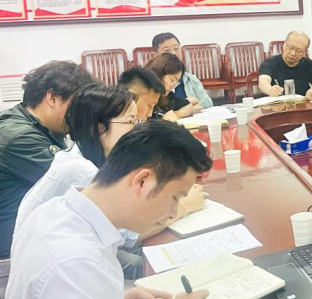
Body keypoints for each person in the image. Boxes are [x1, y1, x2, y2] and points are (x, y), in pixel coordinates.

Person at [0, 120, 213, 299]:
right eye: (175, 197)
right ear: (142, 182)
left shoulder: (57, 211)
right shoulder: (75, 259)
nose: (173, 212)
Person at [14, 84, 204, 280]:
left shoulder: (91, 153)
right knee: (144, 263)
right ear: (100, 127)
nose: (135, 129)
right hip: (45, 260)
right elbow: (126, 237)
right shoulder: (82, 170)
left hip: (63, 246)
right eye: (129, 121)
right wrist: (183, 207)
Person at [0, 60, 94, 260]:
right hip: (13, 252)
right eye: (77, 106)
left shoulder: (42, 127)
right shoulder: (20, 137)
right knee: (130, 261)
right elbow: (84, 183)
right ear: (53, 97)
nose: (81, 116)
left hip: (37, 235)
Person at [152, 32, 213, 108]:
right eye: (167, 50)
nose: (174, 53)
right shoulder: (151, 81)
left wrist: (185, 111)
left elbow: (208, 103)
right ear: (155, 55)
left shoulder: (191, 79)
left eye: (176, 49)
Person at [258, 31, 312, 97]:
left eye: (299, 51)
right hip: (278, 103)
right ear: (284, 44)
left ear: (305, 52)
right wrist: (269, 90)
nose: (293, 53)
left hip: (303, 103)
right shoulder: (269, 63)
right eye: (290, 47)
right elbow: (263, 81)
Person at [145, 53, 203, 121]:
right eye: (172, 80)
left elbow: (188, 106)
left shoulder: (165, 96)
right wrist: (162, 119)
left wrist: (177, 114)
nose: (172, 86)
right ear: (159, 74)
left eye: (175, 83)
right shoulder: (143, 92)